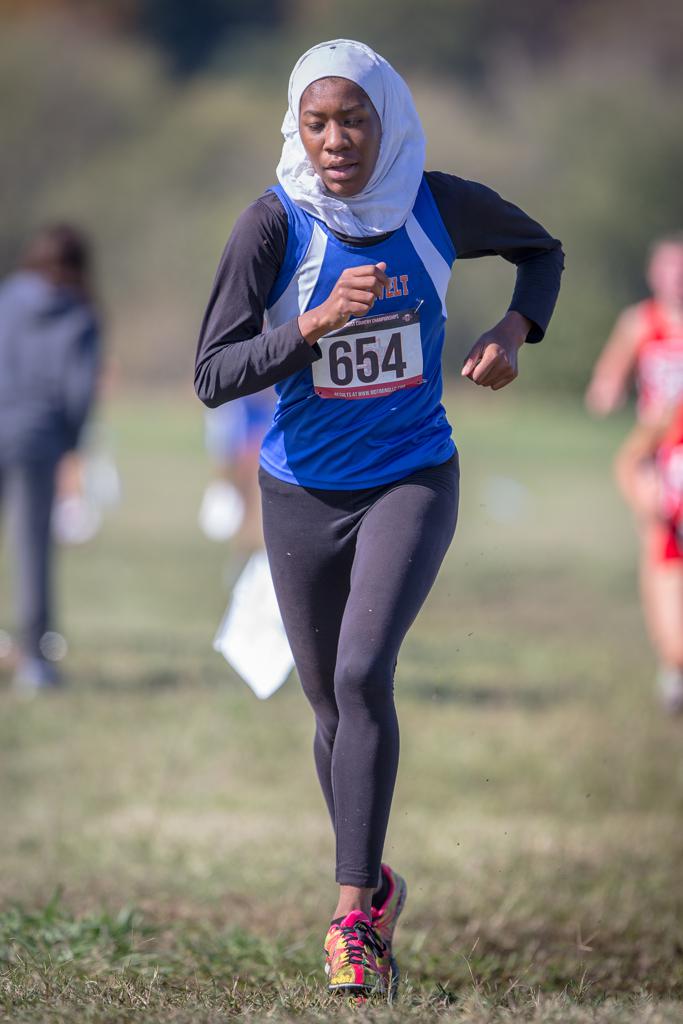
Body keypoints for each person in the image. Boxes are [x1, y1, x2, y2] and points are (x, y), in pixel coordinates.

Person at [195, 39, 563, 996]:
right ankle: (379, 884)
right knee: (329, 703)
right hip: (299, 492)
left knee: (362, 675)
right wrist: (311, 325)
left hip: (411, 475)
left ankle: (351, 915)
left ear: (384, 120)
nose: (334, 141)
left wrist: (512, 328)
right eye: (316, 123)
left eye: (351, 120)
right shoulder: (272, 226)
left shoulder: (432, 203)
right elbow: (211, 376)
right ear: (295, 127)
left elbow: (539, 248)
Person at [0, 224, 101, 691]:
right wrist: (72, 444)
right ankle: (33, 664)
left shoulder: (7, 298)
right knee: (31, 551)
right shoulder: (80, 315)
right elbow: (78, 391)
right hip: (36, 441)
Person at [586, 235, 683, 710]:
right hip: (656, 455)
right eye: (669, 269)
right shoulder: (640, 323)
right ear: (653, 274)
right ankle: (673, 663)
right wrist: (607, 393)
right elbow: (608, 380)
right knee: (661, 549)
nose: (676, 278)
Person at [615, 403, 683, 712]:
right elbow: (628, 460)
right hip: (672, 541)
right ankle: (673, 674)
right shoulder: (674, 415)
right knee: (674, 647)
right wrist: (644, 498)